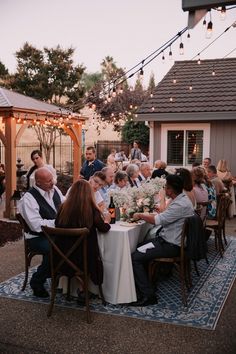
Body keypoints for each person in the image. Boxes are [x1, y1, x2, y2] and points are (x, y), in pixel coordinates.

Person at [131, 174, 194, 306]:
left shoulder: (179, 205)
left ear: (170, 190)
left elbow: (157, 221)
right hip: (168, 240)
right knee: (139, 246)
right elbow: (165, 217)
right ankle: (149, 283)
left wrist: (140, 215)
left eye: (166, 187)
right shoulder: (181, 199)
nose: (164, 189)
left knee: (135, 257)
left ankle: (148, 295)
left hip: (171, 245)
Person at [55, 179, 111, 292]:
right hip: (85, 258)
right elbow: (103, 229)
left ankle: (70, 289)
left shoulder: (62, 208)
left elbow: (57, 224)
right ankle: (83, 291)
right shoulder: (91, 210)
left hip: (61, 255)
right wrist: (107, 221)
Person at [18, 167, 65, 297]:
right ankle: (37, 281)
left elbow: (65, 203)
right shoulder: (29, 198)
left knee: (72, 244)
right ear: (38, 182)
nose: (53, 183)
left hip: (55, 233)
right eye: (48, 181)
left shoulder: (54, 189)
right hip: (36, 237)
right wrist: (58, 223)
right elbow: (36, 225)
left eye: (52, 179)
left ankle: (61, 277)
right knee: (56, 249)